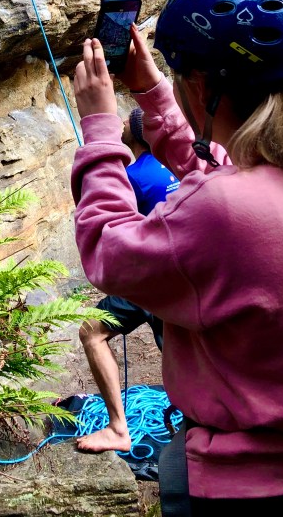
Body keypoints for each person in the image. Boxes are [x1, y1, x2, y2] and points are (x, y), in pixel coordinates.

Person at [71, 0, 283, 516]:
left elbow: (106, 248)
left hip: (261, 497)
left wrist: (101, 131)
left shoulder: (222, 209)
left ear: (200, 85)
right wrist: (154, 95)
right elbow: (231, 174)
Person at [78, 107, 177, 453]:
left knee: (91, 331)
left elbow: (111, 227)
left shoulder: (132, 176)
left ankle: (119, 428)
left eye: (126, 121)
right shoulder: (175, 166)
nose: (120, 122)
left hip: (152, 280)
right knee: (184, 355)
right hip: (183, 275)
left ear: (136, 133)